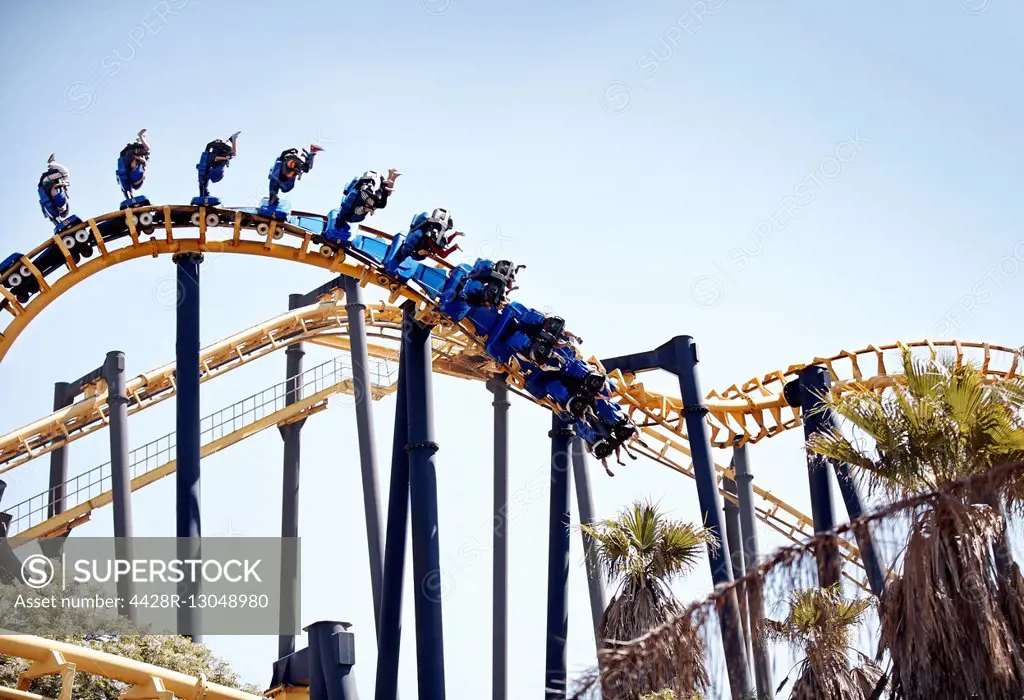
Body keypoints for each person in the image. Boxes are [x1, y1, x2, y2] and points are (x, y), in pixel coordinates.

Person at [197, 131, 240, 197]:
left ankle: (233, 138)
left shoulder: (217, 159)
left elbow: (216, 158)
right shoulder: (218, 159)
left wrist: (225, 158)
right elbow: (216, 158)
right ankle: (233, 138)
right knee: (203, 183)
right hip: (218, 152)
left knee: (203, 182)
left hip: (219, 151)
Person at [117, 128, 150, 196]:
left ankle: (141, 136)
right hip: (131, 158)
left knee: (146, 151)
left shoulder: (138, 165)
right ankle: (140, 135)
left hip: (133, 162)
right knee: (147, 149)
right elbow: (136, 159)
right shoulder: (134, 154)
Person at [38, 154, 70, 222]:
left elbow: (54, 188)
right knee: (64, 177)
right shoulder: (57, 203)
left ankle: (52, 163)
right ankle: (52, 166)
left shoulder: (60, 202)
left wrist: (63, 184)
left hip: (46, 181)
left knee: (65, 172)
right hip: (47, 182)